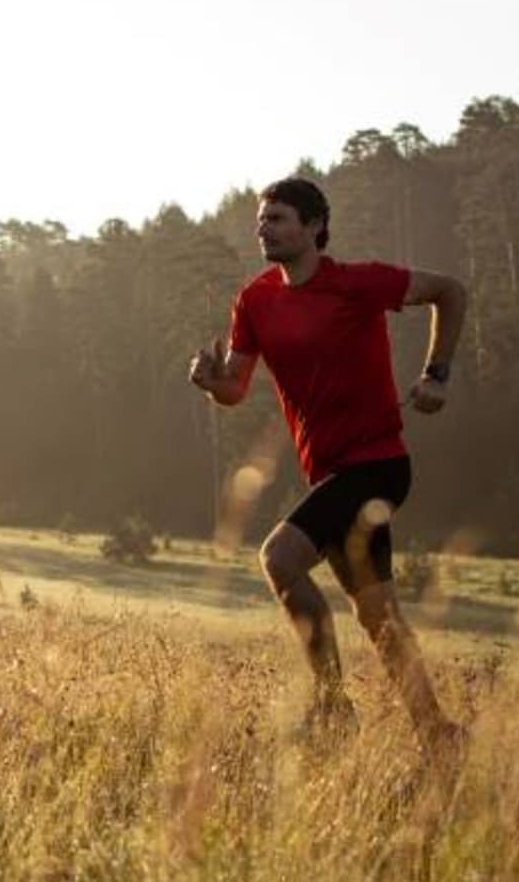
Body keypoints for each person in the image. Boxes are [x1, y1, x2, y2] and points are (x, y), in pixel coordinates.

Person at [190, 176, 467, 754]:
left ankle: (333, 706)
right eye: (261, 220)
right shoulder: (255, 300)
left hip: (379, 465)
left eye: (279, 219)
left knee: (280, 558)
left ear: (315, 226)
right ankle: (438, 734)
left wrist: (437, 374)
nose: (265, 228)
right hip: (331, 472)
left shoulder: (357, 284)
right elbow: (237, 389)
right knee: (379, 619)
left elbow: (450, 290)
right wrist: (212, 383)